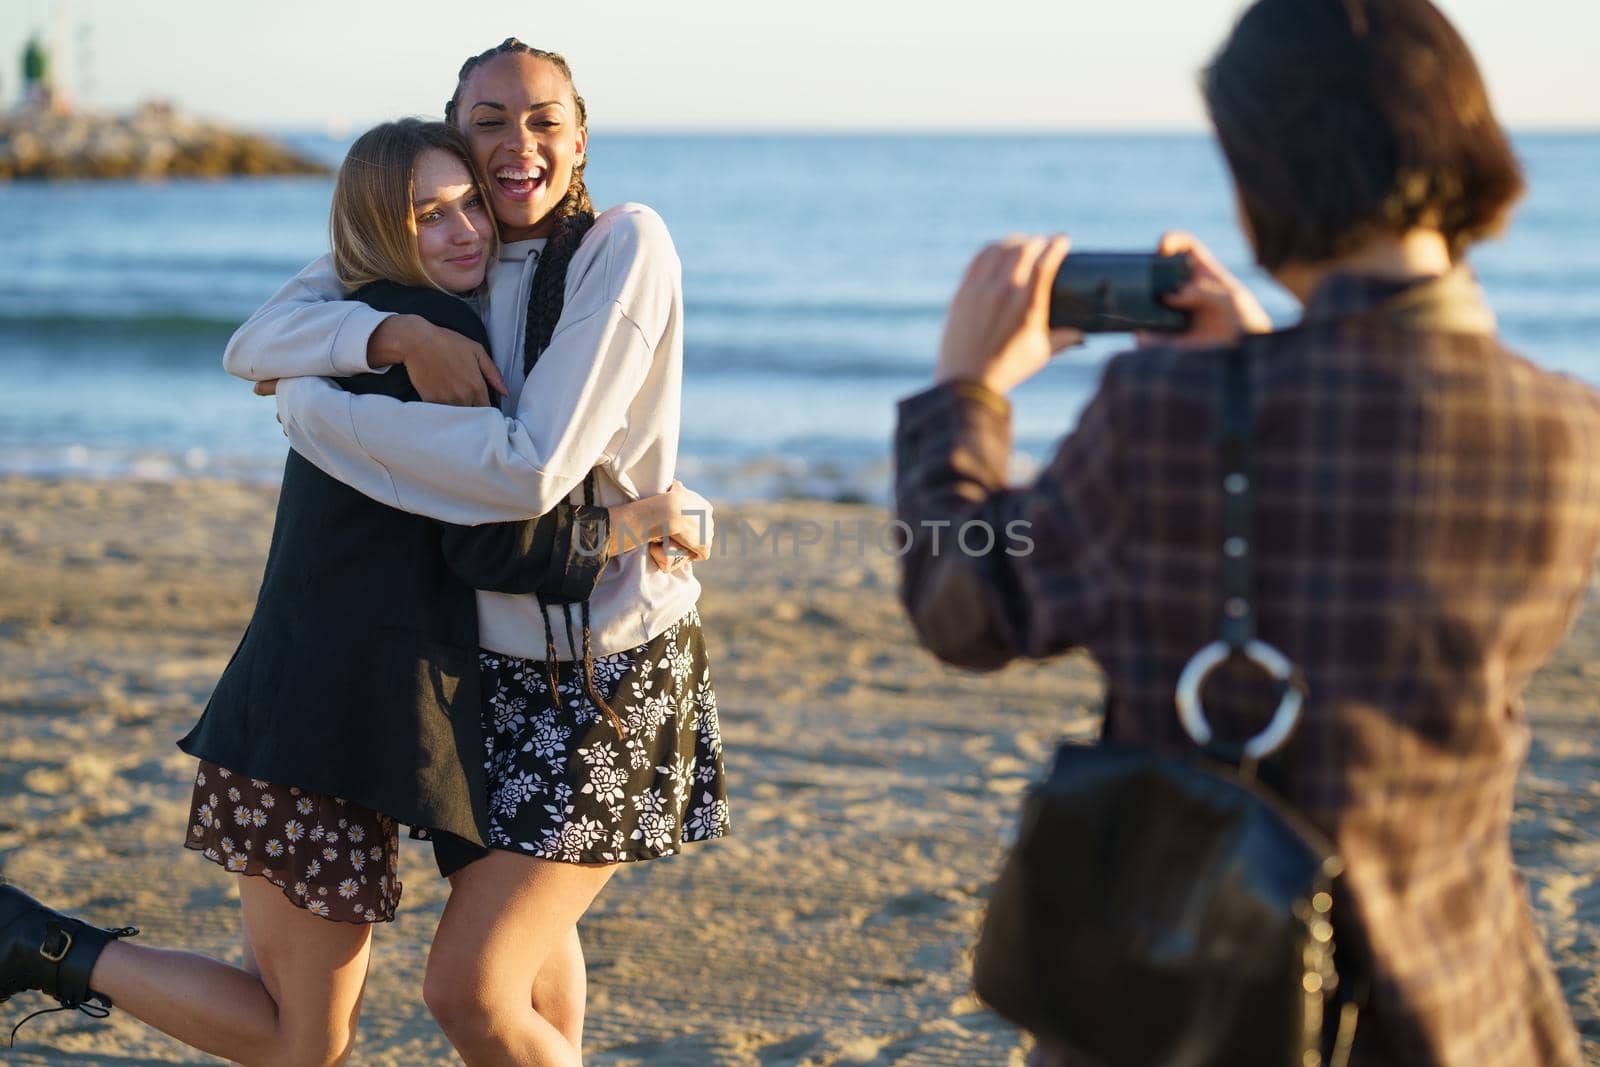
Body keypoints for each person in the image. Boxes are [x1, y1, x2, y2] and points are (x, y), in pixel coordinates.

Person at [894, 0, 1591, 1064]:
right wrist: (1267, 358)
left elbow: (968, 605)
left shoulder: (1163, 407)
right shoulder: (1566, 431)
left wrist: (966, 395)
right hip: (1450, 1002)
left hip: (1194, 1000)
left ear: (1262, 171)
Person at [0, 119, 707, 1064]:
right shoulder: (437, 343)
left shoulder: (380, 327)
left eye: (468, 206)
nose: (463, 230)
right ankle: (44, 946)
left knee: (339, 1018)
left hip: (338, 714)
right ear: (381, 230)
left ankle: (43, 943)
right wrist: (646, 517)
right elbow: (495, 545)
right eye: (429, 214)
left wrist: (374, 340)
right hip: (322, 724)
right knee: (304, 1042)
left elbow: (266, 351)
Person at [216, 39, 729, 1066]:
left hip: (605, 665)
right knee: (535, 961)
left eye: (543, 119)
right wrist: (396, 336)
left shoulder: (621, 245)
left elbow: (530, 471)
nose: (517, 142)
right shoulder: (447, 242)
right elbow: (257, 342)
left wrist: (321, 415)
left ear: (579, 139)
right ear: (457, 136)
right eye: (488, 120)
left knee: (468, 988)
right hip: (485, 663)